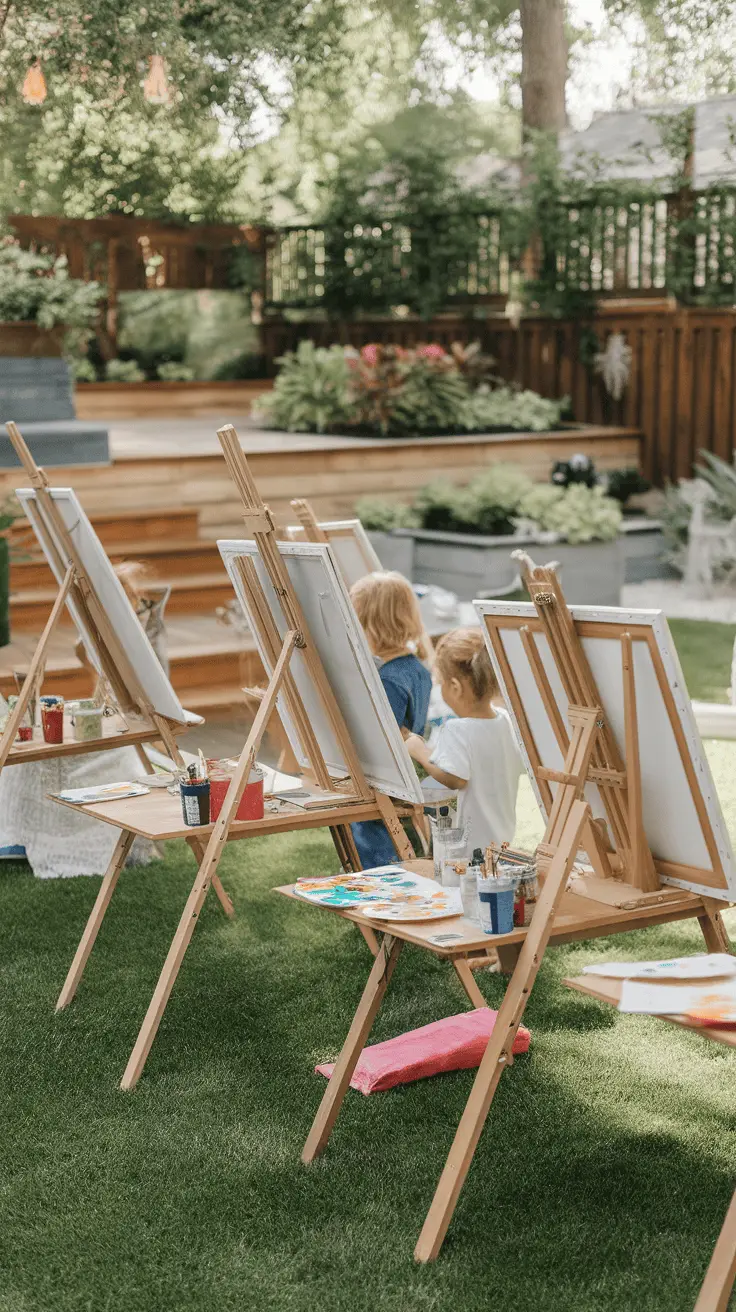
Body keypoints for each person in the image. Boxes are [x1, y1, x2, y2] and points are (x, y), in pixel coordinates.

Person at [0, 562, 163, 877]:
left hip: (123, 723)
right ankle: (21, 832)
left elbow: (134, 700)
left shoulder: (133, 642)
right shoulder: (102, 635)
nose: (140, 608)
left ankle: (40, 834)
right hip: (110, 715)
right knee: (32, 750)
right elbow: (94, 673)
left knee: (40, 752)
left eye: (142, 603)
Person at [404, 627, 521, 855]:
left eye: (441, 683)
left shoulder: (457, 729)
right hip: (504, 833)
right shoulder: (505, 720)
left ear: (455, 688)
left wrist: (419, 751)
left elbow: (454, 778)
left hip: (471, 842)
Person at [349, 571, 432, 868]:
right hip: (407, 779)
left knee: (379, 846)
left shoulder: (388, 679)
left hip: (386, 782)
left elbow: (385, 738)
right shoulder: (416, 668)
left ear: (370, 624)